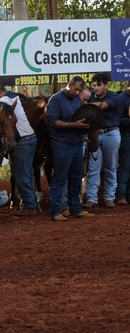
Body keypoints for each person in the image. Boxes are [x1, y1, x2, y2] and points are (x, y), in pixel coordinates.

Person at [46, 76, 92, 221]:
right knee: (60, 178)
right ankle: (56, 212)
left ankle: (75, 209)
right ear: (69, 85)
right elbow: (53, 122)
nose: (77, 92)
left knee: (76, 177)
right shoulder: (56, 99)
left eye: (79, 90)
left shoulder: (77, 99)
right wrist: (74, 125)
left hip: (77, 143)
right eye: (75, 89)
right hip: (62, 143)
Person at [0, 83, 38, 215]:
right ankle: (32, 203)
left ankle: (29, 206)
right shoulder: (14, 96)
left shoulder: (6, 100)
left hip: (22, 141)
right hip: (29, 138)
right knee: (26, 173)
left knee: (21, 175)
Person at [84, 72, 122, 208]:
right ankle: (91, 198)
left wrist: (86, 105)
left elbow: (102, 106)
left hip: (111, 133)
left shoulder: (114, 96)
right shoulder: (91, 96)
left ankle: (109, 197)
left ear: (106, 84)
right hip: (94, 134)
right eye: (94, 85)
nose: (96, 88)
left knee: (110, 166)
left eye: (99, 85)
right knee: (93, 167)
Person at [115, 84, 130, 205]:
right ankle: (120, 195)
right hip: (126, 135)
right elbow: (117, 119)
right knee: (125, 167)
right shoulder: (121, 99)